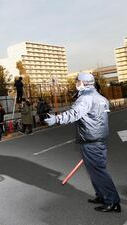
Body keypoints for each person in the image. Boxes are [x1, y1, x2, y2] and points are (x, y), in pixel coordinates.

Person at [45, 73, 121, 213]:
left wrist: (56, 119)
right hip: (99, 139)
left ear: (84, 83)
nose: (76, 83)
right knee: (95, 171)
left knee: (98, 171)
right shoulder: (100, 97)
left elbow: (74, 114)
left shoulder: (85, 98)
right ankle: (102, 195)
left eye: (77, 81)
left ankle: (112, 201)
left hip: (91, 141)